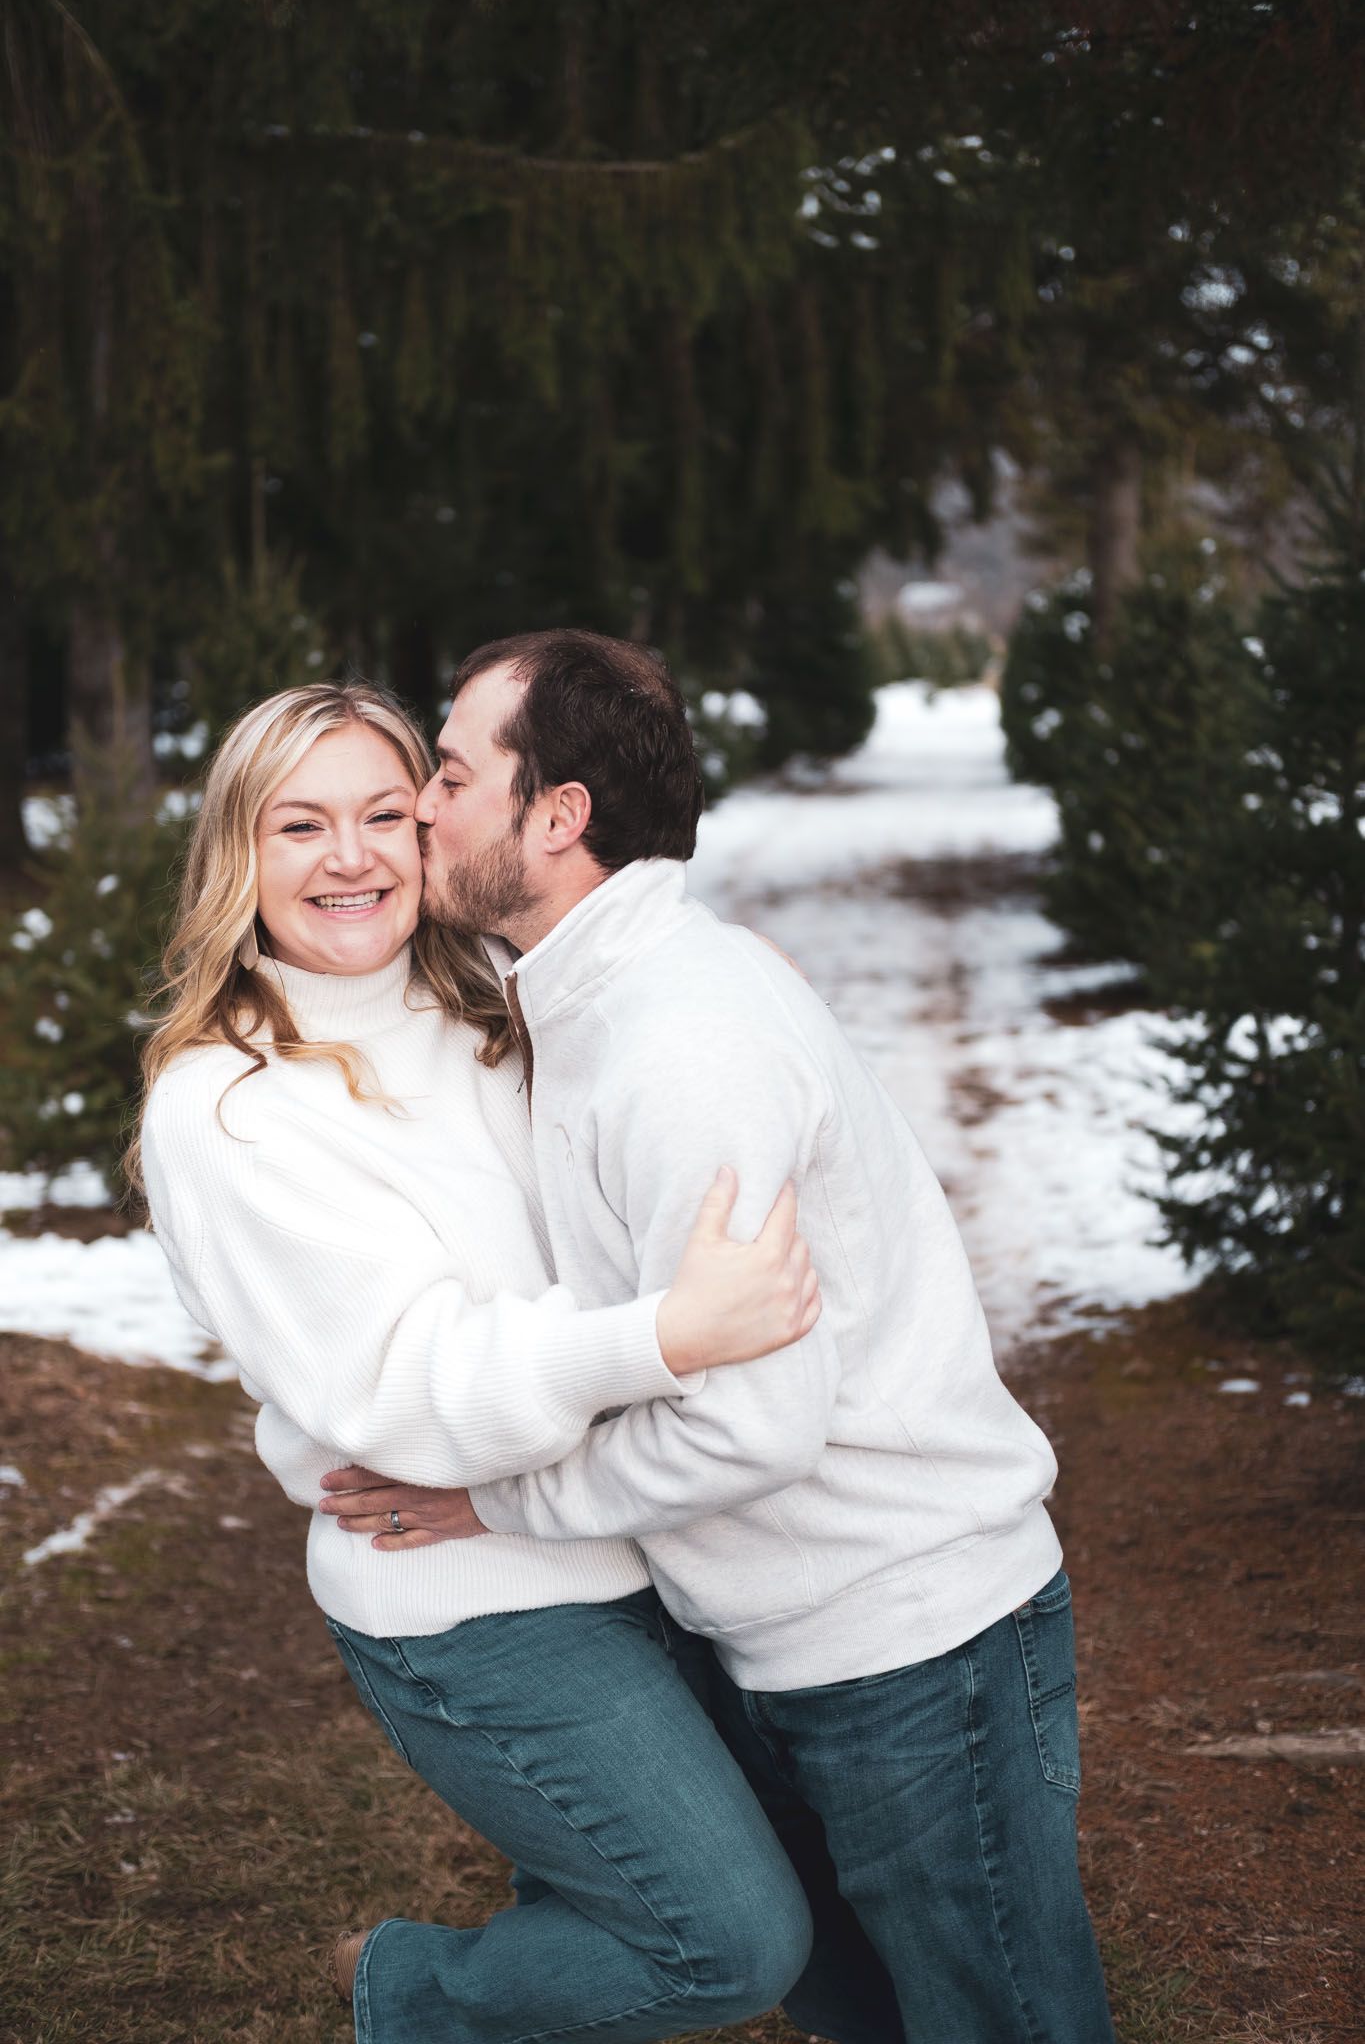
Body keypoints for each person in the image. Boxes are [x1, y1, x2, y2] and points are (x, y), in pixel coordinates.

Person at [323, 629, 1117, 2044]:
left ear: (557, 815)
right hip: (788, 1630)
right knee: (873, 2015)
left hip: (911, 1638)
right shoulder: (594, 998)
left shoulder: (680, 1044)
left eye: (448, 774)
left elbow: (753, 1423)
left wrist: (487, 1496)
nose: (417, 806)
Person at [132, 680, 825, 2044]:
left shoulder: (493, 1012)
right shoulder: (226, 1103)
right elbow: (406, 1393)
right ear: (238, 855)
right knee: (728, 1943)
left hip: (646, 1536)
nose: (351, 858)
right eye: (301, 825)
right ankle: (413, 1998)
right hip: (468, 1596)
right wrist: (665, 1338)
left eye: (386, 813)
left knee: (641, 1896)